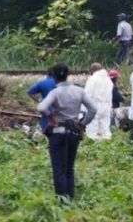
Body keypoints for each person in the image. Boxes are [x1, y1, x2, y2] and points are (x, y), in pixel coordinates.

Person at [37, 63, 97, 201]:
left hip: (58, 132)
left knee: (59, 168)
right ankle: (70, 198)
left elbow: (41, 107)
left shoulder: (55, 92)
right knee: (69, 167)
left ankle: (62, 201)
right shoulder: (79, 91)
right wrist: (82, 123)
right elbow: (93, 109)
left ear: (53, 77)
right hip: (74, 132)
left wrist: (51, 116)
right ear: (67, 75)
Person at [83, 63, 113, 141]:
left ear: (92, 70)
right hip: (106, 105)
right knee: (105, 126)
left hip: (95, 104)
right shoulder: (108, 79)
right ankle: (106, 142)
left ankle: (93, 143)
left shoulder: (92, 79)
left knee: (92, 126)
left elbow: (87, 94)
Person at [27, 68, 57, 132]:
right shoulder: (59, 83)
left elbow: (29, 92)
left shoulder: (42, 83)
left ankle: (44, 139)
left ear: (47, 74)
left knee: (45, 125)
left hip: (46, 108)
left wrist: (38, 101)